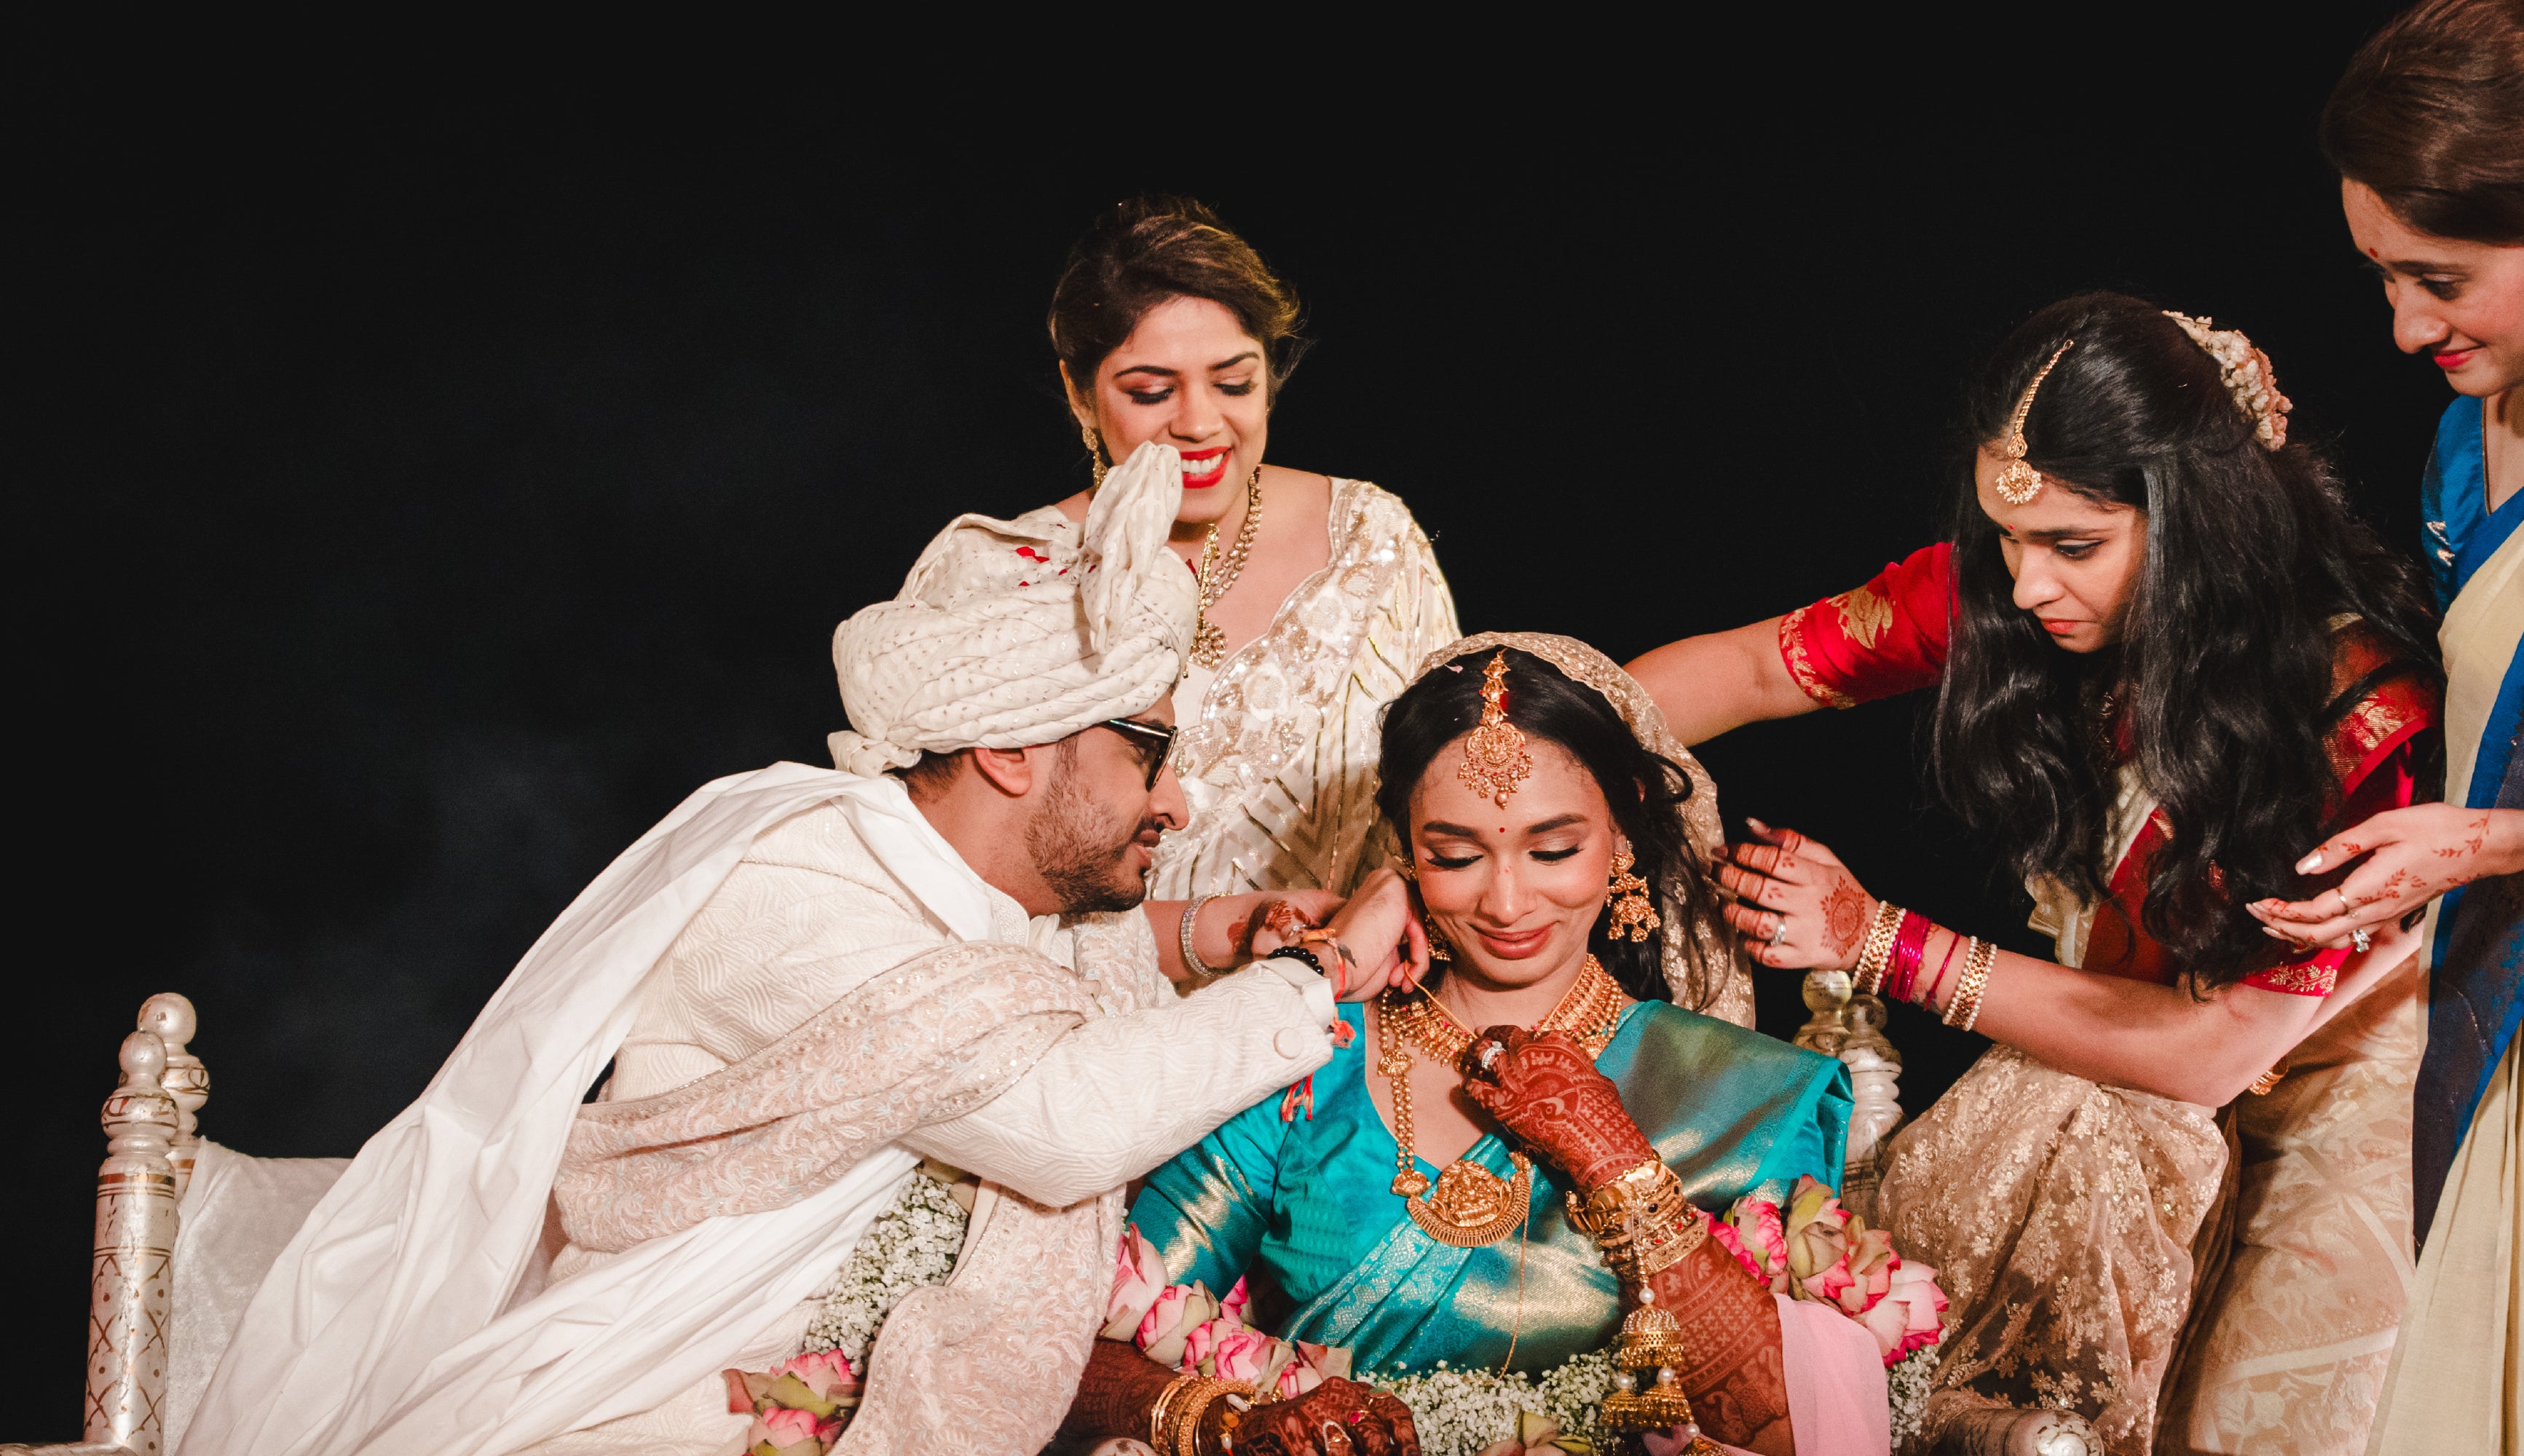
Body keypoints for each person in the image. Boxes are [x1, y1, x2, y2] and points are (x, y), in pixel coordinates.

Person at [178, 446, 1425, 1456]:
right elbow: (1059, 1112)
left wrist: (1211, 927)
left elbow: (1032, 967)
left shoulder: (956, 898)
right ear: (1012, 749)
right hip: (644, 1408)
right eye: (1146, 756)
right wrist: (1323, 970)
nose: (1179, 804)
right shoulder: (794, 875)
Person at [1628, 294, 2442, 1455]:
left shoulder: (2356, 717)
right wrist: (1515, 756)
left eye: (2072, 545)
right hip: (2103, 1099)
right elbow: (1756, 668)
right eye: (2007, 540)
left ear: (2198, 522)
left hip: (2318, 1114)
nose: (2025, 586)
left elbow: (2210, 1052)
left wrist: (1878, 941)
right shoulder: (2036, 602)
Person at [1061, 636, 1896, 1456]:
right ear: (1407, 848)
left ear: (1625, 826)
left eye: (1554, 849)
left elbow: (1805, 1424)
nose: (1506, 900)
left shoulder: (1747, 1092)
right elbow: (1076, 1333)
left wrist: (1614, 1164)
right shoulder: (1301, 1064)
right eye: (1456, 855)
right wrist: (1225, 1425)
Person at [2283, 4, 2524, 1449]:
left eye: (2439, 279)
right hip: (2510, 992)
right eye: (2383, 278)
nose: (2407, 326)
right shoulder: (2472, 432)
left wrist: (2487, 842)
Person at [1032, 196, 1464, 989]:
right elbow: (976, 897)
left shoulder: (1372, 541)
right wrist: (1229, 932)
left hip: (1344, 1034)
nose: (1201, 422)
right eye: (1151, 391)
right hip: (1091, 1044)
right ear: (1079, 393)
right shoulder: (1017, 571)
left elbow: (1456, 793)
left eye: (1234, 381)